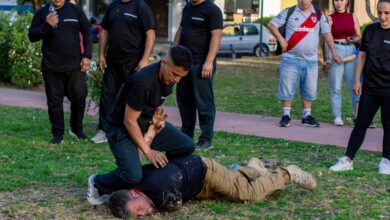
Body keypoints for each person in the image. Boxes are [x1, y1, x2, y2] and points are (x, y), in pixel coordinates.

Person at [87, 46, 196, 206]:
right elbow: (129, 121)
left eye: (181, 77)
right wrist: (148, 151)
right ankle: (98, 183)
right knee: (132, 176)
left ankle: (162, 177)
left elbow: (151, 104)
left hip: (145, 124)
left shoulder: (169, 79)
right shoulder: (142, 82)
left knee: (187, 146)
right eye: (175, 74)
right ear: (164, 63)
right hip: (121, 129)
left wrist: (156, 120)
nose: (177, 80)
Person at [106, 141, 317, 218]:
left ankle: (287, 173)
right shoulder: (137, 183)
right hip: (196, 184)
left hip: (206, 172)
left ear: (134, 194)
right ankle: (253, 167)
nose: (144, 213)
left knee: (247, 194)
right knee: (233, 187)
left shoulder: (159, 193)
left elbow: (174, 205)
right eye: (139, 217)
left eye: (138, 210)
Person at [329, 0, 390, 174]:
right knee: (361, 123)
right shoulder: (370, 30)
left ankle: (386, 161)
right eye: (379, 12)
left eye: (387, 13)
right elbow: (362, 56)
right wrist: (357, 80)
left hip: (388, 89)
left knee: (388, 125)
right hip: (370, 87)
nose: (382, 17)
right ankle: (348, 159)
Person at [268, 0, 342, 128]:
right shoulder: (289, 11)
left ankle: (306, 116)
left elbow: (327, 34)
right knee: (287, 87)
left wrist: (334, 53)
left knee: (309, 88)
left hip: (311, 60)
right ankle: (286, 115)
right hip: (290, 59)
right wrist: (281, 40)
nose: (303, 2)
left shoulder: (318, 15)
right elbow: (271, 25)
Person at [90, 0, 156, 144]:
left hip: (133, 62)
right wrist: (101, 54)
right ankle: (104, 131)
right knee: (107, 96)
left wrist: (145, 59)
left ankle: (137, 131)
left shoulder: (141, 6)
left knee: (135, 98)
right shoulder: (113, 6)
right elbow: (105, 31)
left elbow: (150, 34)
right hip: (112, 62)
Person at [28, 0, 92, 144]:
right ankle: (58, 134)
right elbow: (32, 36)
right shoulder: (42, 12)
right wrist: (46, 25)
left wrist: (87, 55)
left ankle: (77, 129)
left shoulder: (75, 10)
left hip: (75, 65)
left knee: (79, 96)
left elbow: (87, 31)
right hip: (52, 67)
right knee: (54, 102)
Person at [173, 0, 223, 150]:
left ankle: (206, 139)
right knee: (185, 101)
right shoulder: (188, 7)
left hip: (201, 64)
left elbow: (216, 36)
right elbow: (181, 30)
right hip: (184, 64)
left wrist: (209, 61)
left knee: (204, 103)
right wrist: (173, 53)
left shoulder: (212, 10)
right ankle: (186, 136)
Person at [322, 0, 361, 126]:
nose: (338, 3)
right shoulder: (330, 18)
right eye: (336, 0)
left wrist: (353, 38)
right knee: (335, 86)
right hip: (336, 50)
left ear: (347, 2)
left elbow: (359, 36)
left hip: (351, 51)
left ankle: (357, 117)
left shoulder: (352, 16)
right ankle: (337, 116)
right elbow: (326, 39)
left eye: (341, 0)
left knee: (354, 85)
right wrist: (327, 59)